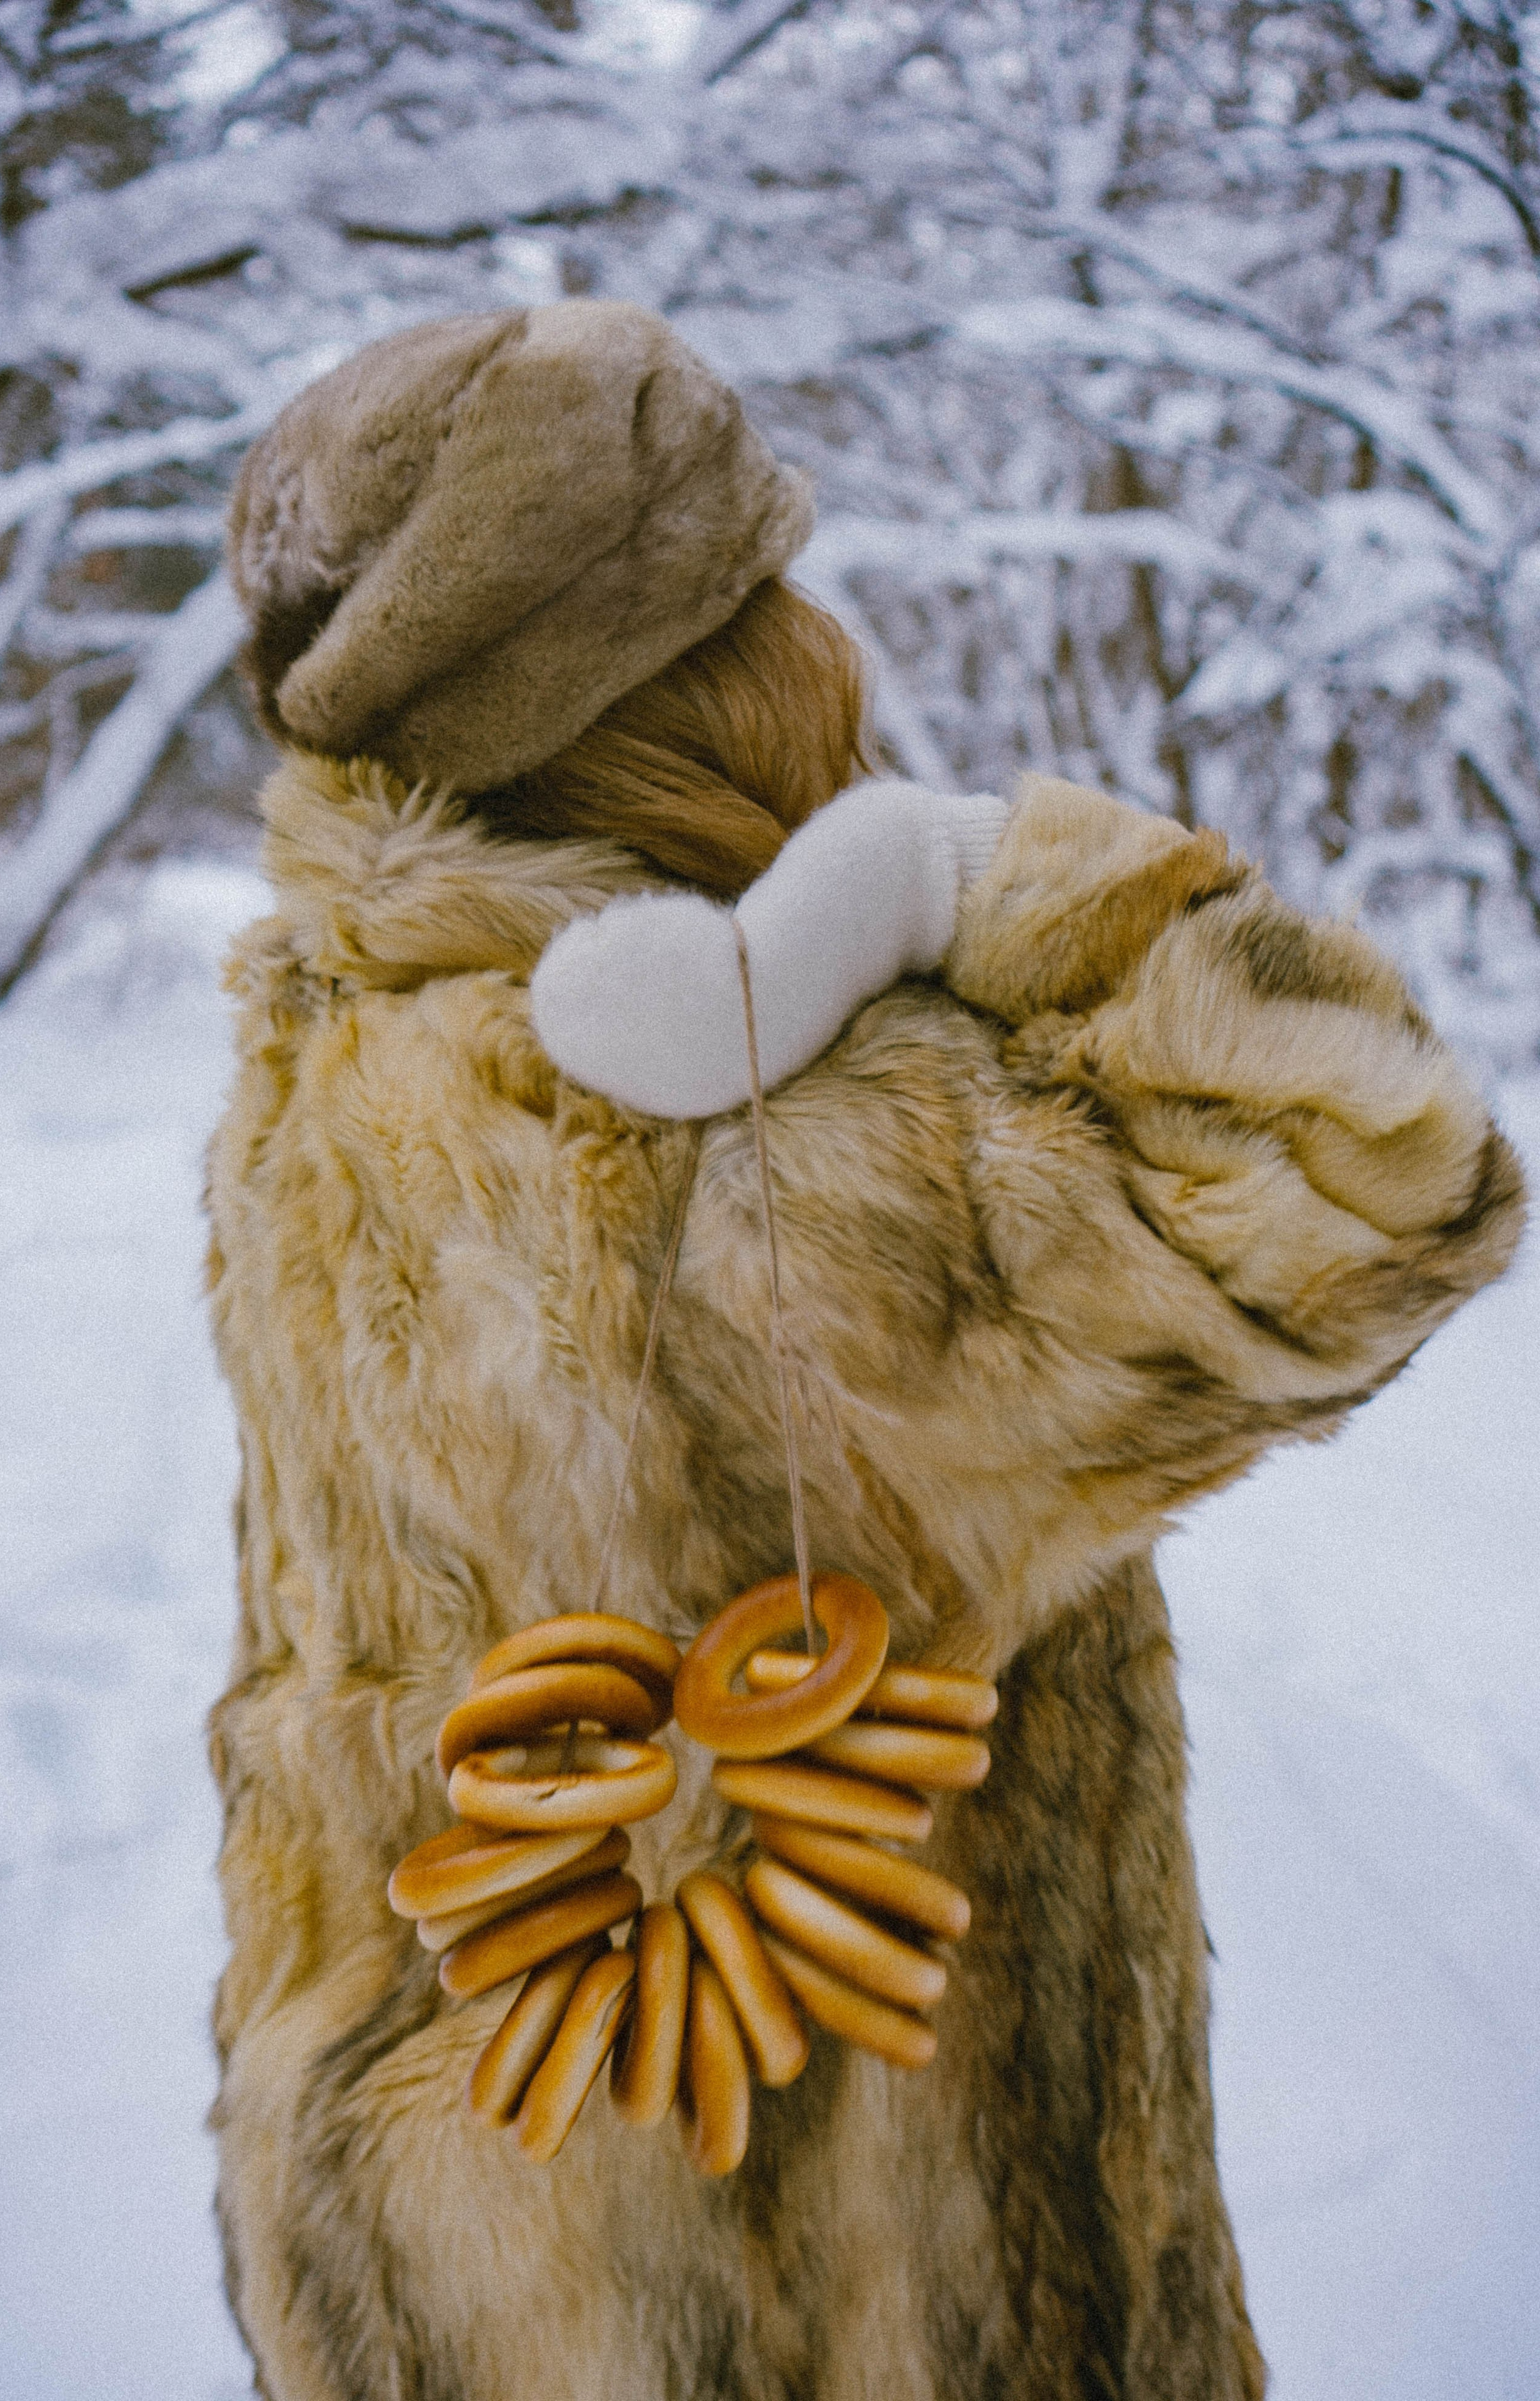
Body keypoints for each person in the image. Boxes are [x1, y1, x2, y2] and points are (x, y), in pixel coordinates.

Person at [207, 301, 1524, 2401]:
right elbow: (1387, 1172)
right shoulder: (776, 1141)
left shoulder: (331, 1034)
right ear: (683, 676)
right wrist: (960, 869)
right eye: (766, 596)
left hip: (431, 2219)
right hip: (827, 2275)